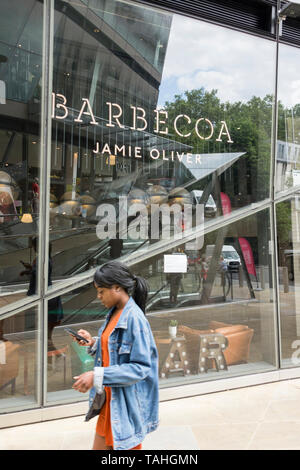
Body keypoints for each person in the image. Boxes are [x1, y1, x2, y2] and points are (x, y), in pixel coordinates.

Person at [71, 261, 159, 451]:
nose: (98, 296)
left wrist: (96, 376)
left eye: (101, 291)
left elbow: (140, 367)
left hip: (125, 407)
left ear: (117, 288)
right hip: (110, 402)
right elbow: (114, 348)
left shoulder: (134, 319)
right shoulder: (114, 313)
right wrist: (93, 342)